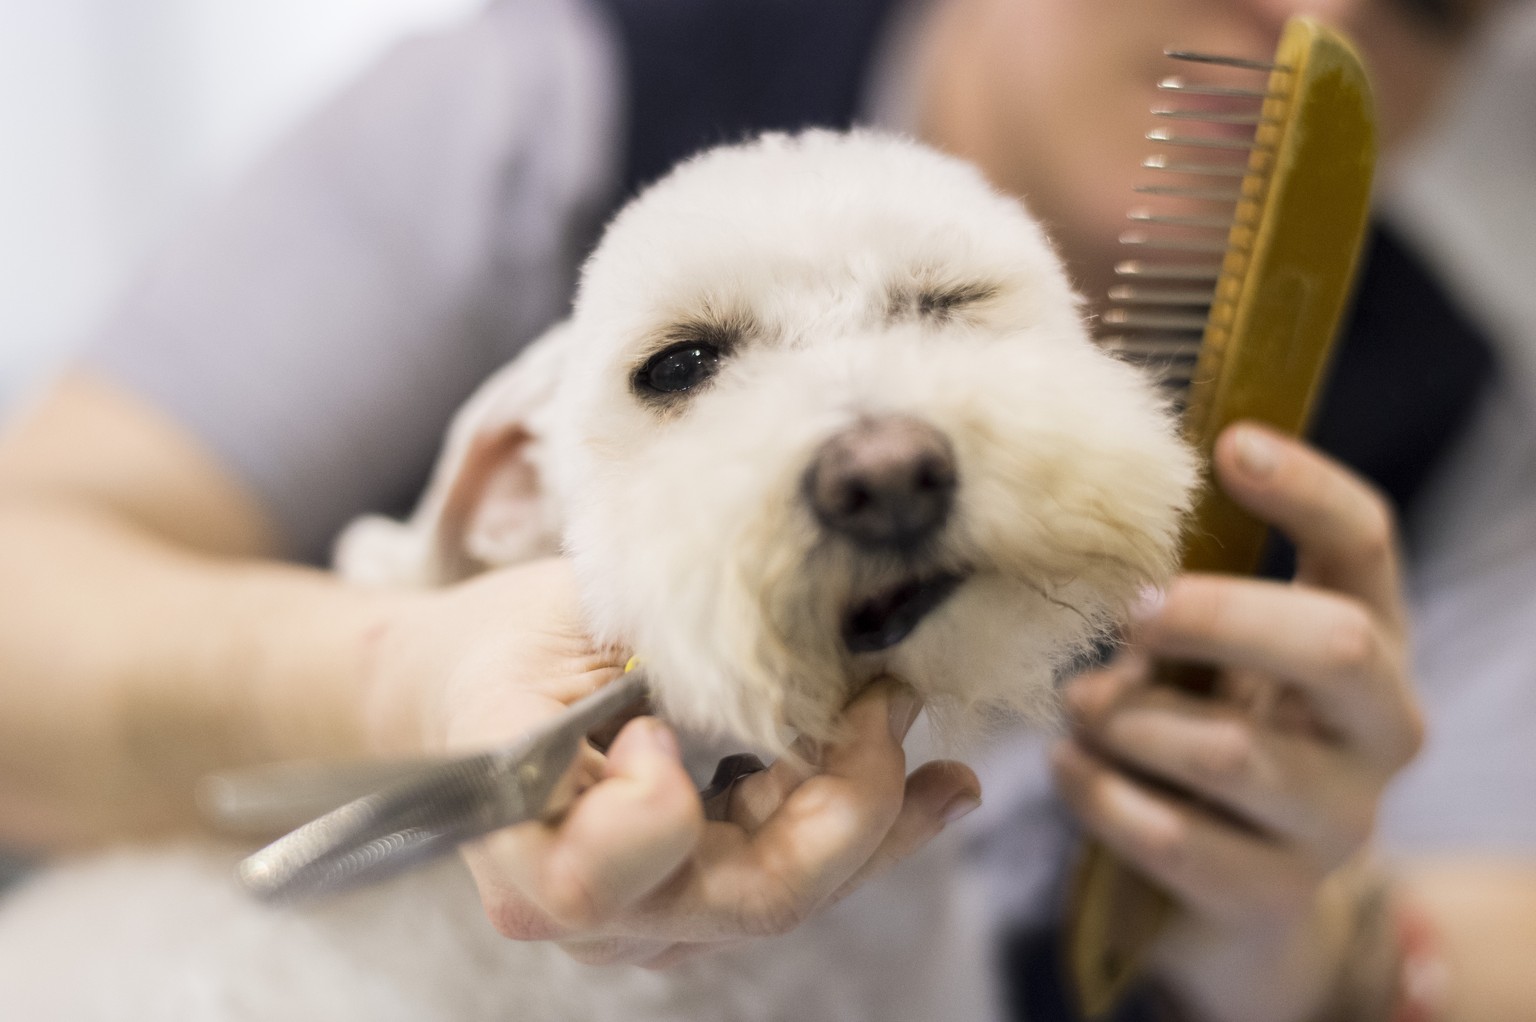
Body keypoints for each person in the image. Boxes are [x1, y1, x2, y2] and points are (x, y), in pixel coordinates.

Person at [0, 0, 1532, 1019]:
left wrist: (1302, 936)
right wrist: (394, 675)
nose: (1318, 11)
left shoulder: (1459, 415)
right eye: (688, 366)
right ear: (501, 484)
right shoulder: (550, 100)